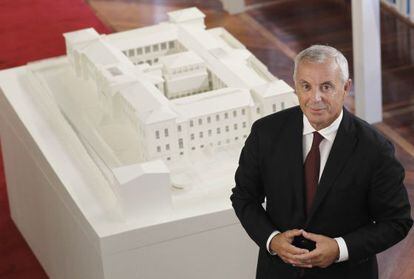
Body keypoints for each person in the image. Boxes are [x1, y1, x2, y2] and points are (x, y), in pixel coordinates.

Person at [230, 45, 412, 279]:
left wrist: (340, 248)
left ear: (346, 87)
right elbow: (244, 197)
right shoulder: (265, 133)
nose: (315, 98)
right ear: (296, 86)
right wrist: (272, 240)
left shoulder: (375, 149)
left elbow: (397, 222)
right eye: (306, 86)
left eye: (326, 86)